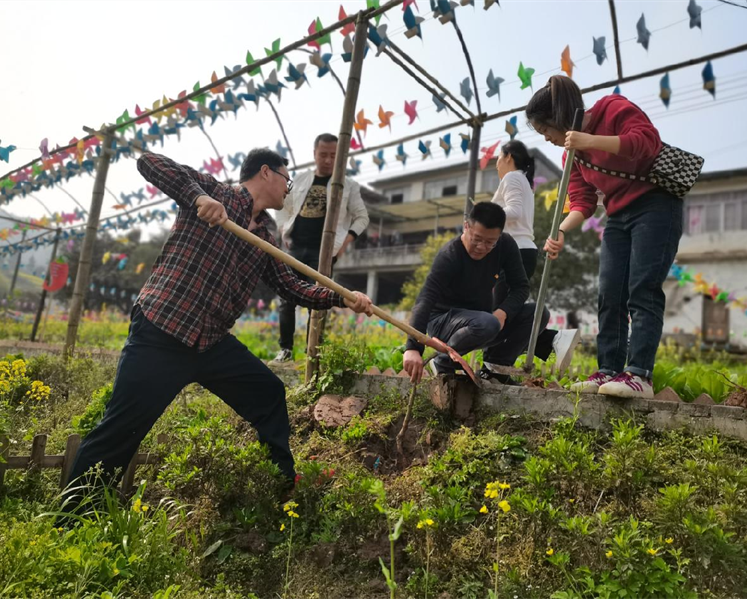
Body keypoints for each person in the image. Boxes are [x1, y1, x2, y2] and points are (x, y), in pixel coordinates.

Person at [66, 149, 373, 494]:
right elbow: (150, 162)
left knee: (268, 392)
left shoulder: (265, 240)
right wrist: (199, 198)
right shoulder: (216, 193)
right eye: (287, 181)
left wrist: (341, 297)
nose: (288, 191)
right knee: (121, 429)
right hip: (162, 330)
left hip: (210, 343)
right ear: (266, 172)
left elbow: (292, 287)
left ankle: (280, 486)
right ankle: (73, 512)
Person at [527, 75, 683, 399]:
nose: (548, 139)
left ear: (558, 117)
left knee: (642, 289)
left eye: (546, 131)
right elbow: (582, 202)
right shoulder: (570, 156)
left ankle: (640, 374)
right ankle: (608, 370)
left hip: (655, 205)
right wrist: (560, 230)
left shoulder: (612, 108)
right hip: (617, 215)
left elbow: (645, 142)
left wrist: (589, 141)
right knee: (610, 293)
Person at [401, 202, 577, 384]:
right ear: (466, 226)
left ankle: (495, 369)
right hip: (444, 322)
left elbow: (521, 287)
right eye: (476, 239)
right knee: (487, 323)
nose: (481, 247)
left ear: (499, 235)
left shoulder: (505, 245)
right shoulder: (450, 256)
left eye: (490, 242)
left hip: (482, 321)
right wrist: (412, 347)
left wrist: (503, 312)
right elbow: (425, 300)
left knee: (537, 313)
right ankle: (443, 362)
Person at [272, 133, 370, 362]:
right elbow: (282, 205)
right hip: (295, 248)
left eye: (333, 156)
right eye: (323, 154)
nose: (328, 160)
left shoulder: (348, 185)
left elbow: (362, 217)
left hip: (324, 253)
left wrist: (345, 242)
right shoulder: (300, 179)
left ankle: (313, 352)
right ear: (314, 153)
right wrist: (283, 228)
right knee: (286, 299)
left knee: (318, 301)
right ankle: (285, 350)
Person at [491, 139, 579, 371]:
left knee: (497, 313)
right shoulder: (522, 181)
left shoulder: (512, 177)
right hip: (521, 250)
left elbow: (514, 211)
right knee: (502, 310)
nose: (496, 163)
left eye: (498, 157)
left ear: (508, 156)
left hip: (514, 251)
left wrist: (485, 214)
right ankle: (551, 340)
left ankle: (549, 339)